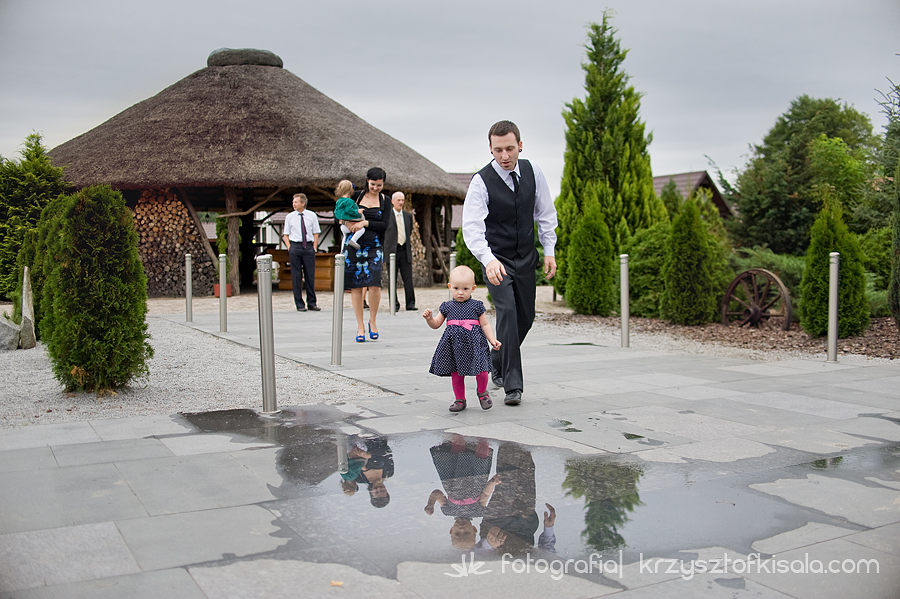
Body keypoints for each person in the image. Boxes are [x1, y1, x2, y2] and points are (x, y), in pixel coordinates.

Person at [461, 120, 558, 406]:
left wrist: (549, 248)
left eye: (510, 149)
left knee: (526, 317)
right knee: (507, 312)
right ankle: (512, 386)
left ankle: (496, 358)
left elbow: (545, 213)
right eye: (498, 150)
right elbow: (472, 227)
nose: (504, 156)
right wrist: (488, 259)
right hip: (497, 260)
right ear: (490, 149)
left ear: (520, 146)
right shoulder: (481, 181)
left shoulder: (533, 171)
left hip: (527, 257)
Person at [422, 265, 501, 412]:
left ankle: (482, 392)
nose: (460, 293)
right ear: (450, 287)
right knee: (457, 373)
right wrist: (429, 319)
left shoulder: (477, 306)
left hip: (475, 344)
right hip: (454, 346)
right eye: (456, 288)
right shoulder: (447, 306)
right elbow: (436, 324)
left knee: (482, 369)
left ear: (473, 288)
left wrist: (492, 339)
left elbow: (485, 324)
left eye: (465, 289)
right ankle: (460, 399)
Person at [424, 434, 500, 550]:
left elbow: (437, 493)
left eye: (457, 533)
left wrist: (431, 503)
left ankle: (458, 438)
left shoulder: (448, 510)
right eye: (467, 533)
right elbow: (485, 495)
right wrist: (492, 482)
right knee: (481, 457)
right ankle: (482, 437)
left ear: (451, 530)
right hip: (476, 478)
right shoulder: (478, 512)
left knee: (455, 455)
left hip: (454, 479)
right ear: (474, 529)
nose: (462, 529)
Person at [346, 167, 391, 342]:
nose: (375, 188)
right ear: (367, 181)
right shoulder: (355, 196)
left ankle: (372, 321)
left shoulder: (385, 200)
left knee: (374, 284)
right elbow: (342, 215)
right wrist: (350, 223)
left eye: (379, 185)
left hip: (375, 246)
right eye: (373, 184)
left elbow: (384, 225)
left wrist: (366, 222)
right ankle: (360, 325)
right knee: (356, 286)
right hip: (354, 245)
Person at [282, 193, 321, 311]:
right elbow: (286, 235)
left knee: (310, 275)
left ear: (303, 203)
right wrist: (289, 247)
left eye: (296, 202)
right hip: (295, 246)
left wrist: (314, 246)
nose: (293, 204)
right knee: (296, 275)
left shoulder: (311, 215)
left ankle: (312, 303)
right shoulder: (289, 217)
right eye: (293, 202)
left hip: (308, 247)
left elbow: (316, 232)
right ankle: (299, 303)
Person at [384, 191, 417, 311]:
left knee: (408, 278)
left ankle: (410, 303)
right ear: (393, 201)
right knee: (392, 279)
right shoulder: (387, 216)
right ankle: (394, 304)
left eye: (402, 200)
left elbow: (410, 231)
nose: (401, 203)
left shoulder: (408, 216)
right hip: (392, 250)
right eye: (398, 200)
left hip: (405, 250)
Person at [333, 179, 365, 250]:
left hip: (343, 225)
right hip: (350, 223)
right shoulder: (349, 201)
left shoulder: (339, 201)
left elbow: (336, 211)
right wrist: (358, 211)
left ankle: (342, 250)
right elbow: (349, 210)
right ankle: (353, 240)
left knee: (344, 237)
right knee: (362, 230)